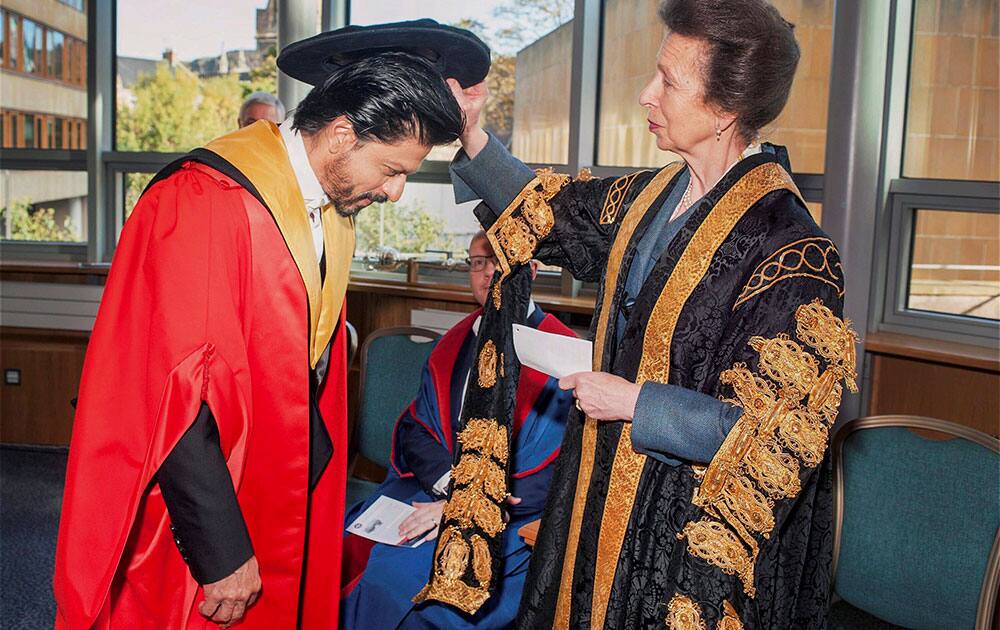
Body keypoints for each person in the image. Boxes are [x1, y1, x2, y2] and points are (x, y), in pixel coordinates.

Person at [53, 20, 488, 629]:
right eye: (393, 169)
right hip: (204, 511)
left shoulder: (329, 206)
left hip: (277, 483)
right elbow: (172, 394)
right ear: (342, 133)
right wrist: (221, 552)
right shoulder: (204, 201)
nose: (395, 193)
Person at [446, 1, 857, 628]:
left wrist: (637, 401)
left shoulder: (794, 251)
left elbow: (775, 437)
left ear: (724, 110)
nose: (646, 94)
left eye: (669, 80)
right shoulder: (650, 196)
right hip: (596, 495)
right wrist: (473, 133)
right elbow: (550, 213)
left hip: (686, 541)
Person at [340, 231, 576, 629]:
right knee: (345, 548)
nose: (487, 274)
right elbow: (418, 429)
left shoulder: (561, 354)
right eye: (477, 262)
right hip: (437, 493)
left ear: (532, 271)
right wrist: (452, 486)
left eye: (501, 263)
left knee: (403, 588)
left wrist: (467, 507)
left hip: (512, 516)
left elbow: (560, 468)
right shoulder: (452, 343)